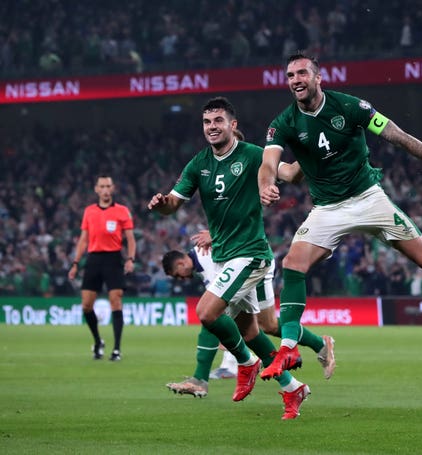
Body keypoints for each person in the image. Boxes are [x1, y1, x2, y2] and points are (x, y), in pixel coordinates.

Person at [258, 53, 422, 380]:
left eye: (302, 73)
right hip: (327, 209)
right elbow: (269, 163)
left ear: (318, 77)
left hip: (368, 199)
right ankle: (289, 346)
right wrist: (267, 183)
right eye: (290, 75)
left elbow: (398, 136)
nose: (296, 79)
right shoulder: (283, 123)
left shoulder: (351, 107)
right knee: (293, 265)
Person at [148, 96, 328, 419]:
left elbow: (288, 174)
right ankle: (293, 388)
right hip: (225, 257)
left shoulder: (252, 155)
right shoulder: (199, 163)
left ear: (233, 125)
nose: (211, 127)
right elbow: (173, 204)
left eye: (218, 121)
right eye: (206, 122)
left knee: (207, 312)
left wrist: (312, 152)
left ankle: (246, 363)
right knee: (252, 331)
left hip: (251, 255)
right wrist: (161, 203)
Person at [162, 243, 335, 394]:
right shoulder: (201, 262)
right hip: (249, 264)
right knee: (263, 327)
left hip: (255, 264)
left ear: (181, 262)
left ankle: (201, 379)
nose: (181, 279)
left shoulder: (204, 257)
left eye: (178, 274)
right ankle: (313, 354)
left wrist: (225, 335)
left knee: (213, 315)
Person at [68, 175, 136, 361]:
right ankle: (98, 341)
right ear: (96, 190)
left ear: (112, 189)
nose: (105, 190)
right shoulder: (89, 211)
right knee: (86, 305)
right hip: (94, 259)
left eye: (108, 186)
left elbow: (130, 238)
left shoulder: (122, 211)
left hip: (113, 259)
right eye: (102, 186)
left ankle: (116, 349)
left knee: (116, 300)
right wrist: (75, 263)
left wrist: (130, 258)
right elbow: (83, 239)